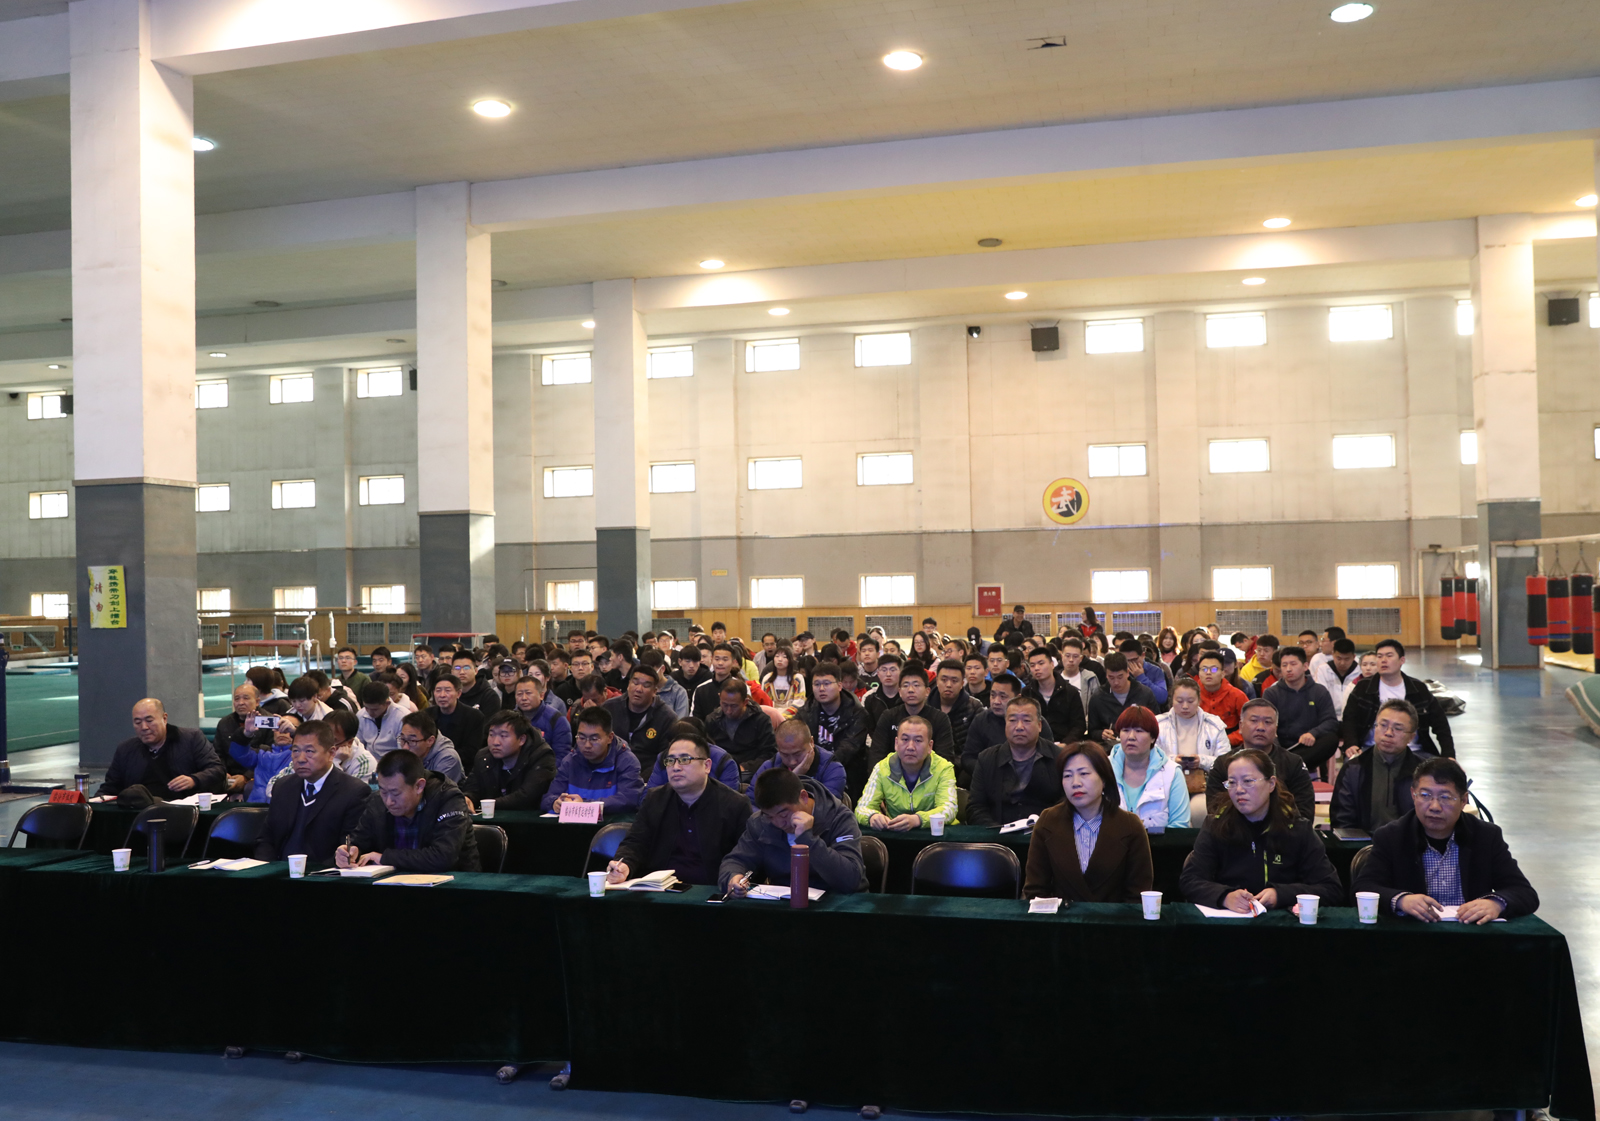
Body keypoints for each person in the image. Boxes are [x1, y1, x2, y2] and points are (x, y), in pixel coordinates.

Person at [1354, 756, 1539, 923]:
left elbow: (1524, 893)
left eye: (1445, 797)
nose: (1434, 806)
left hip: (1471, 937)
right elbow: (1363, 887)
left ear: (1464, 800)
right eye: (1425, 795)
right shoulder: (1391, 836)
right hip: (1413, 937)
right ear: (1413, 795)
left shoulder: (1486, 836)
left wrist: (1496, 904)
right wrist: (1401, 900)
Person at [1180, 748, 1342, 913]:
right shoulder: (1216, 825)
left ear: (1271, 783)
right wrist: (1224, 897)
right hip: (1230, 922)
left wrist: (1281, 894)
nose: (1239, 789)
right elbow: (1190, 881)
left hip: (1281, 922)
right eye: (1232, 783)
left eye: (1248, 781)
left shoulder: (1297, 829)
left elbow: (1331, 889)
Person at [606, 731, 753, 887]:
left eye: (684, 760)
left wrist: (735, 878)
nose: (675, 767)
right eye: (670, 761)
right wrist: (625, 865)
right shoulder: (655, 799)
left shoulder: (735, 804)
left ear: (707, 766)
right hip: (658, 890)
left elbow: (746, 856)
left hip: (712, 890)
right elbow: (636, 842)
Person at [1023, 741, 1153, 903]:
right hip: (1061, 917)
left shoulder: (1130, 825)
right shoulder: (1048, 821)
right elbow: (1035, 890)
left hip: (1115, 918)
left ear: (1103, 779)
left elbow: (1138, 895)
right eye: (1067, 775)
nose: (1075, 783)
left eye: (1083, 773)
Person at [722, 766, 867, 896]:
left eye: (784, 814)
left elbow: (850, 880)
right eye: (770, 816)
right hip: (784, 902)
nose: (779, 823)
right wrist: (733, 877)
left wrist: (809, 840)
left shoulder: (839, 818)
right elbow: (736, 860)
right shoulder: (760, 822)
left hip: (837, 901)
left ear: (803, 797)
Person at [337, 748, 480, 873]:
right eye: (383, 791)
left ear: (419, 786)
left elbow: (443, 857)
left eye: (395, 793)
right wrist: (349, 853)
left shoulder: (448, 799)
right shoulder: (377, 802)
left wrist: (385, 858)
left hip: (454, 885)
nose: (388, 801)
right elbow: (359, 841)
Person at [254, 720, 372, 863]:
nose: (301, 759)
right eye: (296, 751)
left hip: (324, 872)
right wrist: (267, 868)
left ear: (331, 753)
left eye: (309, 751)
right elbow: (267, 838)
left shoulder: (354, 792)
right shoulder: (283, 786)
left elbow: (349, 847)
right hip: (279, 870)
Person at [1204, 699, 1317, 822]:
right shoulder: (1222, 763)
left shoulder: (1293, 763)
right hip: (1233, 830)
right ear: (1241, 726)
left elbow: (1305, 813)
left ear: (1276, 729)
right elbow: (1215, 811)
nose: (1261, 727)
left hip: (1282, 830)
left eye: (1268, 722)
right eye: (1254, 721)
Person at [1340, 639, 1455, 758]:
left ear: (1402, 660)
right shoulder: (1363, 687)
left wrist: (1449, 754)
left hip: (1414, 751)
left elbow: (1441, 724)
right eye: (1379, 656)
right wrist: (1351, 744)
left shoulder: (1418, 689)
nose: (1383, 660)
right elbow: (1349, 719)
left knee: (1442, 769)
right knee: (1352, 767)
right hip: (1370, 750)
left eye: (1389, 656)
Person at [96, 698, 226, 800]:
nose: (144, 727)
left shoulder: (192, 739)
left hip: (183, 809)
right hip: (138, 811)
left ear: (164, 718)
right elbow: (110, 787)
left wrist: (194, 780)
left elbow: (217, 770)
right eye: (138, 722)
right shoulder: (125, 749)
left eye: (149, 720)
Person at [965, 695, 1062, 827]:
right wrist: (998, 831)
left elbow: (1066, 804)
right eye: (1012, 720)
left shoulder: (1058, 758)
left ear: (1039, 725)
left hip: (1045, 833)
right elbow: (975, 807)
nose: (1019, 727)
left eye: (1026, 720)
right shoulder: (987, 759)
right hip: (997, 835)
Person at [856, 714, 959, 831]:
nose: (910, 747)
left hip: (935, 835)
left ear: (930, 746)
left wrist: (917, 819)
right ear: (896, 743)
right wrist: (872, 816)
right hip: (896, 835)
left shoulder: (943, 768)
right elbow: (862, 808)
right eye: (905, 739)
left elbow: (949, 809)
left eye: (918, 740)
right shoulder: (882, 768)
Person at [1330, 699, 1421, 832]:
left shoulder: (1423, 772)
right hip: (1363, 842)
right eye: (1383, 725)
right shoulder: (1354, 769)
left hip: (1410, 843)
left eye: (1398, 728)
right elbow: (1341, 820)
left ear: (1411, 737)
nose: (1388, 733)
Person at [541, 706, 646, 813]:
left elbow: (629, 799)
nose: (587, 745)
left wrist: (585, 806)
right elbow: (548, 797)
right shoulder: (570, 761)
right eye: (582, 738)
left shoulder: (626, 762)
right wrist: (554, 802)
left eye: (594, 739)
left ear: (610, 737)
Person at [1155, 677, 1231, 821]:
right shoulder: (1158, 724)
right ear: (1172, 700)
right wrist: (1172, 761)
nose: (1185, 706)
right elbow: (1150, 758)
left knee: (1199, 810)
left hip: (1204, 786)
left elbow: (1226, 762)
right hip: (1165, 786)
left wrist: (1201, 761)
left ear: (1199, 700)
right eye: (1179, 701)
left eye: (1190, 701)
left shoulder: (1214, 725)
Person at [1108, 705, 1189, 831]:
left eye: (1139, 731)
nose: (1131, 736)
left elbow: (1179, 827)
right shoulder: (1102, 769)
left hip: (1159, 844)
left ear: (1153, 738)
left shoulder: (1172, 773)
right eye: (1125, 730)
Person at [461, 710, 556, 813]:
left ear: (521, 739)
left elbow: (527, 797)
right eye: (491, 735)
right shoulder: (483, 757)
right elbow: (473, 788)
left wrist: (487, 804)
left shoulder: (541, 756)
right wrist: (468, 798)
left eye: (503, 736)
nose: (495, 742)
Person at [1261, 646, 1339, 771]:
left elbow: (1330, 721)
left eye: (1293, 664)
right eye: (1284, 665)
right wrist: (1277, 749)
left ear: (1305, 666)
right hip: (1281, 747)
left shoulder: (1319, 691)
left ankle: (1290, 767)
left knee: (1331, 739)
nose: (1288, 669)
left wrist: (1313, 733)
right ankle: (1292, 766)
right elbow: (1266, 723)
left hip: (1309, 747)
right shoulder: (1271, 693)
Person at [746, 717, 847, 805]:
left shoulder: (832, 768)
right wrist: (793, 777)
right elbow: (751, 803)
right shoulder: (770, 766)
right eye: (785, 755)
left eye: (797, 754)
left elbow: (825, 808)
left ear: (811, 742)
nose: (792, 762)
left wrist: (794, 780)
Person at [869, 663, 955, 765]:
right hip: (892, 772)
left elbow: (945, 758)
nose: (910, 690)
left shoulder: (940, 719)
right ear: (900, 692)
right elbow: (877, 754)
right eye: (906, 685)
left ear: (927, 691)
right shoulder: (889, 716)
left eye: (916, 685)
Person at [603, 664, 678, 777]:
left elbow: (665, 758)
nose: (638, 689)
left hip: (647, 778)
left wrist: (640, 779)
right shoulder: (609, 708)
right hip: (608, 773)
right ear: (628, 685)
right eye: (635, 683)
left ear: (654, 691)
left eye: (646, 685)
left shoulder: (667, 718)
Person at [704, 677, 779, 779]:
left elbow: (770, 754)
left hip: (752, 773)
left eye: (734, 706)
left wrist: (744, 767)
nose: (729, 711)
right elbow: (706, 752)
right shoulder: (712, 720)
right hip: (720, 772)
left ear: (745, 702)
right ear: (719, 697)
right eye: (724, 705)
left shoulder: (761, 721)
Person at [1086, 652, 1158, 743]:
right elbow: (1092, 731)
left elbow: (1156, 724)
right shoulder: (1098, 697)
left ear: (1128, 672)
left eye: (1120, 677)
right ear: (1106, 675)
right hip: (1109, 745)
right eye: (1111, 677)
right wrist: (1101, 734)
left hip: (1140, 743)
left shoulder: (1144, 694)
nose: (1116, 682)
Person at [1023, 646, 1088, 743]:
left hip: (1064, 743)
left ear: (1052, 664)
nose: (1036, 668)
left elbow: (1079, 725)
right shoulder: (1027, 692)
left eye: (1041, 663)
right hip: (1035, 744)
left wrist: (1065, 744)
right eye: (1032, 665)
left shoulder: (1070, 692)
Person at [511, 674, 573, 762]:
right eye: (519, 694)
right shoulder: (510, 719)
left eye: (528, 693)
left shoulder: (557, 719)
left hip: (546, 767)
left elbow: (562, 756)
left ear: (541, 695)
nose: (524, 698)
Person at [933, 657, 983, 766]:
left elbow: (977, 745)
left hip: (964, 765)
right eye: (944, 680)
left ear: (962, 684)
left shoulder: (974, 707)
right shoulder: (925, 706)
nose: (948, 685)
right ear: (937, 681)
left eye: (954, 681)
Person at [426, 674, 487, 759]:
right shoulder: (426, 715)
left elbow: (471, 751)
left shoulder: (474, 717)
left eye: (447, 690)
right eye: (438, 690)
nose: (442, 695)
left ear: (458, 693)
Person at [1195, 650, 1247, 745]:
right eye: (1204, 669)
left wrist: (1226, 740)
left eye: (1214, 669)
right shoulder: (1191, 694)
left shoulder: (1237, 695)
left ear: (1223, 673)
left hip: (1230, 743)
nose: (1208, 673)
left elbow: (1249, 726)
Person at [398, 710, 465, 782]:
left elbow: (435, 788)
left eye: (412, 741)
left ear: (430, 741)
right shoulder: (411, 753)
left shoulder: (448, 758)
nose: (405, 747)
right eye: (402, 739)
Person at [356, 681, 407, 759]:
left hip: (393, 760)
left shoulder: (402, 717)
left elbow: (403, 752)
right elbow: (358, 745)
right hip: (368, 760)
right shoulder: (361, 714)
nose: (369, 712)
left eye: (375, 709)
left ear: (387, 703)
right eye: (366, 707)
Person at [691, 642, 742, 720]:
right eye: (717, 659)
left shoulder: (741, 687)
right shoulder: (701, 689)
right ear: (712, 660)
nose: (720, 663)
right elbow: (695, 720)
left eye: (725, 659)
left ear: (733, 662)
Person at [1118, 638, 1169, 712]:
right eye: (1127, 661)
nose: (1131, 664)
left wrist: (1141, 677)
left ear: (1143, 655)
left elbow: (1162, 698)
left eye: (1134, 660)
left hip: (1150, 712)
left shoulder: (1155, 670)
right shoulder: (1120, 671)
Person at [450, 650, 502, 719]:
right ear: (452, 672)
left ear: (476, 671)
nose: (462, 672)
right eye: (457, 668)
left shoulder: (489, 696)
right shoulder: (448, 695)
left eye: (466, 668)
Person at [1059, 636, 1102, 712]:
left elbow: (1098, 705)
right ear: (1062, 657)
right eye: (1067, 656)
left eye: (1075, 656)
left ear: (1081, 659)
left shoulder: (1090, 678)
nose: (1071, 660)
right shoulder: (1055, 678)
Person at [760, 645, 807, 710]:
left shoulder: (797, 678)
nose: (780, 659)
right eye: (777, 656)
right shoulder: (767, 678)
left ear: (790, 660)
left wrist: (785, 714)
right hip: (772, 714)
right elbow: (765, 701)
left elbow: (799, 701)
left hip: (792, 714)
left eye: (784, 657)